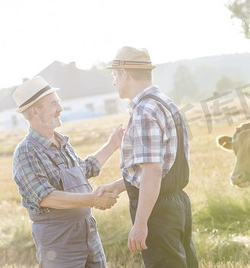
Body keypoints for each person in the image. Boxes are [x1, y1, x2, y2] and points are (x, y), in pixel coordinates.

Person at [96, 46, 199, 267]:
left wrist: (141, 223)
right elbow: (159, 166)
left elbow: (153, 171)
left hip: (158, 210)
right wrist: (119, 185)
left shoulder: (144, 111)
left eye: (114, 74)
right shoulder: (164, 102)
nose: (113, 81)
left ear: (125, 74)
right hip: (178, 203)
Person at [12, 76, 124, 268]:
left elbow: (85, 169)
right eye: (54, 104)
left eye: (59, 102)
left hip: (87, 233)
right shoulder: (26, 152)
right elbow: (46, 197)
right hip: (58, 242)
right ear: (35, 112)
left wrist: (113, 144)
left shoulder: (62, 143)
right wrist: (93, 199)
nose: (60, 108)